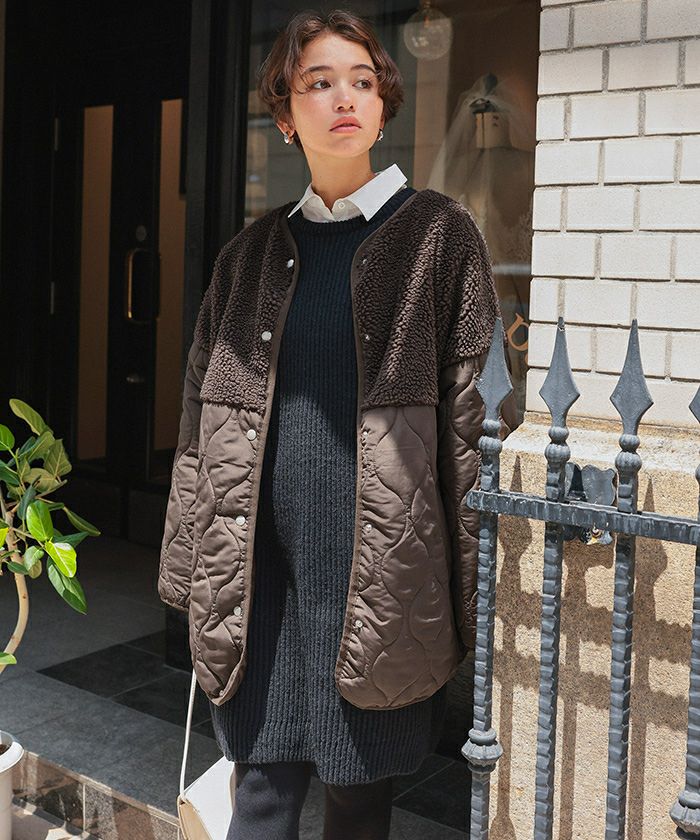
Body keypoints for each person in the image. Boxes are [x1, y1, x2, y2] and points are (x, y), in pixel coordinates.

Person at [158, 9, 509, 840]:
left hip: (379, 576)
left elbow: (472, 428)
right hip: (260, 576)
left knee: (357, 799)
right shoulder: (248, 256)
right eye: (318, 83)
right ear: (285, 114)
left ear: (384, 107)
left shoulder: (437, 237)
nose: (343, 98)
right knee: (261, 793)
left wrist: (476, 591)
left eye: (362, 81)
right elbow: (201, 425)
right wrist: (188, 569)